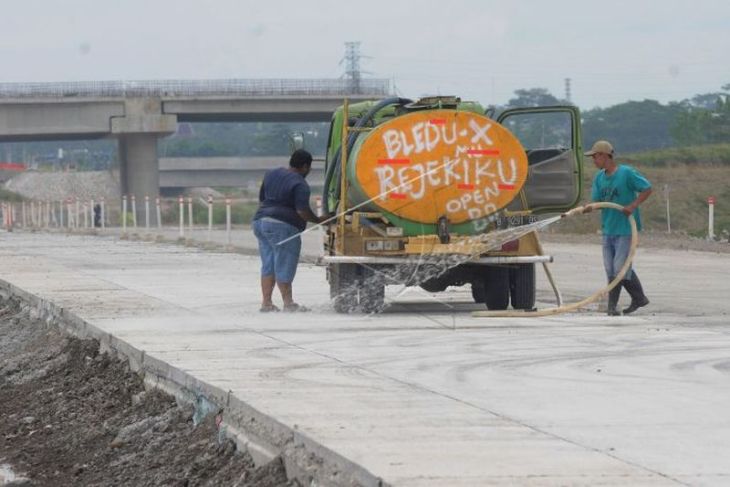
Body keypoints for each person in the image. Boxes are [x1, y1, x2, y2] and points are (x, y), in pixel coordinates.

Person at [252, 149, 328, 312]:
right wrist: (319, 220)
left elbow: (262, 199)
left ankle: (266, 303)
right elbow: (302, 212)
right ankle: (288, 303)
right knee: (284, 263)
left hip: (259, 222)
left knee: (268, 263)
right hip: (282, 226)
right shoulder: (300, 183)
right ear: (306, 166)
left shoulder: (271, 173)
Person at [584, 140, 653, 316]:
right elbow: (598, 202)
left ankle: (612, 307)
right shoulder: (599, 178)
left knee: (619, 268)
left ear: (605, 156)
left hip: (626, 230)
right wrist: (589, 207)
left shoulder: (626, 173)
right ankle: (639, 298)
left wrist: (633, 205)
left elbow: (647, 188)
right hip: (608, 228)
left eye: (595, 157)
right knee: (613, 268)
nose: (593, 161)